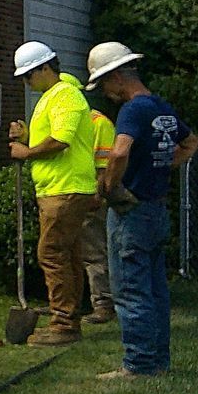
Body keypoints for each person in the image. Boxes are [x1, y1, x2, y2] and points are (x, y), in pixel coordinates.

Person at [88, 42, 198, 379]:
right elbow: (191, 143)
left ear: (117, 76)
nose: (106, 93)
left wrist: (109, 186)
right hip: (156, 209)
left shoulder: (133, 110)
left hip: (132, 213)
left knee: (130, 290)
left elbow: (120, 153)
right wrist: (161, 167)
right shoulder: (160, 108)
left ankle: (138, 365)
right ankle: (158, 362)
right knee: (155, 290)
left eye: (104, 83)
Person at [7, 41, 100, 346]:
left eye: (29, 75)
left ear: (46, 68)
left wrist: (27, 151)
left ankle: (63, 325)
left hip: (65, 190)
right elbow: (53, 138)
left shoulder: (65, 96)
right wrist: (27, 137)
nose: (26, 82)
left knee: (51, 253)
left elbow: (60, 140)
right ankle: (68, 318)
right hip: (59, 189)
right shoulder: (52, 97)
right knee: (68, 254)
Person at [83, 107, 118, 324]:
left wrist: (98, 193)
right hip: (69, 193)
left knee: (94, 250)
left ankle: (103, 303)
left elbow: (106, 164)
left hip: (90, 196)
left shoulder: (98, 123)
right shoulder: (66, 120)